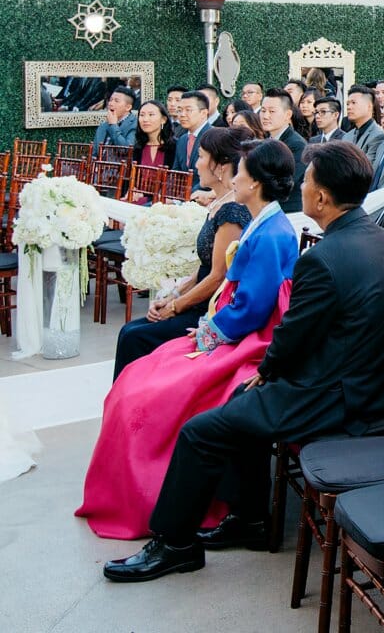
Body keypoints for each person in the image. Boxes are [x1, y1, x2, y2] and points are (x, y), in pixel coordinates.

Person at [103, 141, 384, 582]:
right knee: (237, 408)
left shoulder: (324, 258)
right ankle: (249, 519)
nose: (301, 187)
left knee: (201, 431)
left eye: (307, 181)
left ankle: (175, 543)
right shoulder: (380, 238)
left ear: (321, 198)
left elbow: (291, 339)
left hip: (337, 396)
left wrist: (265, 374)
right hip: (371, 383)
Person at [80, 139, 299, 539]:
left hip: (250, 341)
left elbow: (252, 307)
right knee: (140, 375)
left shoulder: (271, 232)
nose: (237, 174)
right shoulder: (262, 221)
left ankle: (157, 494)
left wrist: (207, 335)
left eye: (244, 169)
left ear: (257, 181)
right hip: (235, 329)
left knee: (149, 387)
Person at [113, 127, 258, 377]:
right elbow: (202, 270)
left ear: (221, 166)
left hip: (210, 308)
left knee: (134, 338)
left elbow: (217, 277)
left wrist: (176, 307)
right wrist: (171, 296)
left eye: (201, 157)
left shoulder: (232, 211)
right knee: (129, 331)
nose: (196, 165)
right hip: (196, 296)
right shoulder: (218, 204)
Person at [259, 89, 308, 213]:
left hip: (289, 212)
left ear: (288, 115)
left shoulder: (297, 145)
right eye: (263, 110)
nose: (265, 116)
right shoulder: (264, 142)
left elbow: (286, 183)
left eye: (272, 111)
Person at [341, 85, 384, 188]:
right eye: (348, 104)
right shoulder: (347, 136)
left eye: (354, 103)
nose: (349, 107)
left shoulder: (379, 135)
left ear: (369, 106)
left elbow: (367, 170)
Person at [173, 91, 216, 186]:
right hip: (181, 197)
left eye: (188, 110)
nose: (182, 114)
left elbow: (213, 176)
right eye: (179, 110)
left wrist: (187, 196)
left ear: (203, 113)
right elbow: (175, 173)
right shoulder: (182, 140)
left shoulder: (215, 137)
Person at [131, 99, 176, 169]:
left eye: (151, 115)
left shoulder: (175, 146)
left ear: (163, 119)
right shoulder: (138, 147)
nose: (145, 119)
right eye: (142, 115)